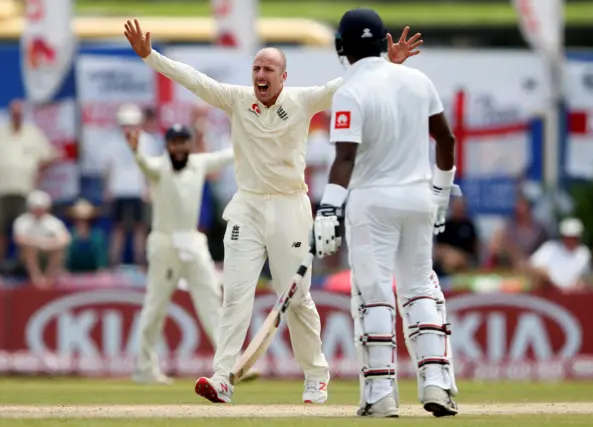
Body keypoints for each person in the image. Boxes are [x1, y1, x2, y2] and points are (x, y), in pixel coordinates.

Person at [124, 18, 422, 404]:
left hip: (289, 206)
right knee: (235, 295)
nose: (260, 75)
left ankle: (316, 375)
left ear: (283, 76)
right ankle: (223, 378)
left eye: (268, 69)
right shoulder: (236, 99)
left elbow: (348, 84)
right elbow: (195, 80)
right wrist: (151, 57)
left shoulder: (302, 100)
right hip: (247, 205)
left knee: (295, 296)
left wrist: (387, 63)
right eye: (256, 69)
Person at [311, 9, 458, 417]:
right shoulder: (417, 79)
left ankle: (380, 394)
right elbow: (446, 140)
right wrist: (441, 195)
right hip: (418, 199)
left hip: (372, 202)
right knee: (419, 289)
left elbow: (345, 157)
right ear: (383, 42)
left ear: (341, 46)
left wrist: (327, 210)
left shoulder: (350, 91)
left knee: (374, 295)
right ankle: (437, 385)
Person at [126, 124, 247, 384]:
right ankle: (146, 369)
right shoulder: (159, 167)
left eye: (183, 142)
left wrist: (252, 139)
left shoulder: (198, 164)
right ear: (167, 145)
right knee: (156, 305)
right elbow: (145, 165)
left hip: (192, 242)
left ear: (190, 144)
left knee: (212, 301)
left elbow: (229, 155)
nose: (179, 147)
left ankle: (230, 365)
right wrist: (136, 152)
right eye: (175, 142)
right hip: (164, 244)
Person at [0, 99, 57, 265]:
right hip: (2, 188)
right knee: (0, 228)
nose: (16, 116)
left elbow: (50, 156)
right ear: (9, 114)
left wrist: (39, 173)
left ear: (23, 115)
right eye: (14, 113)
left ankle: (22, 263)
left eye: (19, 113)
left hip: (25, 188)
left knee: (24, 229)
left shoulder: (33, 133)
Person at [104, 103, 151, 267]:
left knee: (140, 228)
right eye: (124, 124)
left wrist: (148, 188)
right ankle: (113, 264)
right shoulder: (113, 141)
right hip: (118, 191)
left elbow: (150, 167)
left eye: (131, 124)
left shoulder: (146, 141)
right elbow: (109, 168)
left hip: (139, 191)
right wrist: (108, 188)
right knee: (118, 229)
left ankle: (141, 263)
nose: (127, 128)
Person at [13, 190, 71, 288]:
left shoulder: (54, 222)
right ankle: (36, 279)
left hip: (48, 253)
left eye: (41, 208)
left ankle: (48, 279)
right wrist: (40, 243)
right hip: (28, 256)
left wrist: (47, 245)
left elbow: (65, 239)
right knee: (29, 249)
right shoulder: (22, 221)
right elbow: (19, 239)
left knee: (58, 251)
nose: (38, 210)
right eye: (36, 208)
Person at [528, 217, 592, 292]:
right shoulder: (549, 248)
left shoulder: (583, 253)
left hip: (572, 295)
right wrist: (542, 275)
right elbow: (531, 265)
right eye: (567, 236)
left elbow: (585, 279)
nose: (570, 240)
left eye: (573, 237)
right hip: (547, 291)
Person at [65, 199, 108, 273]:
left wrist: (101, 269)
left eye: (84, 219)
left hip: (93, 273)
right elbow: (66, 257)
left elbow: (101, 257)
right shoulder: (69, 234)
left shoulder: (97, 235)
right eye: (79, 219)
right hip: (72, 273)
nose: (82, 221)